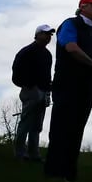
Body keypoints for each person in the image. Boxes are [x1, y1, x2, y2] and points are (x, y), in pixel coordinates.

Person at [44, 0, 92, 182]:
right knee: (61, 127)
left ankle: (69, 173)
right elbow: (71, 47)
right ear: (82, 7)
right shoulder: (70, 24)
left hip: (87, 85)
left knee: (77, 128)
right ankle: (54, 171)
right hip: (67, 82)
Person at [11, 24, 55, 162]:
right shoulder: (27, 52)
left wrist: (48, 91)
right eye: (46, 34)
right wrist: (29, 85)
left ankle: (33, 154)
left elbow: (47, 76)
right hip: (30, 91)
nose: (48, 37)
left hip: (43, 92)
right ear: (38, 35)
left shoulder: (47, 54)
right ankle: (20, 153)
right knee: (26, 123)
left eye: (50, 35)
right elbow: (16, 74)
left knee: (37, 125)